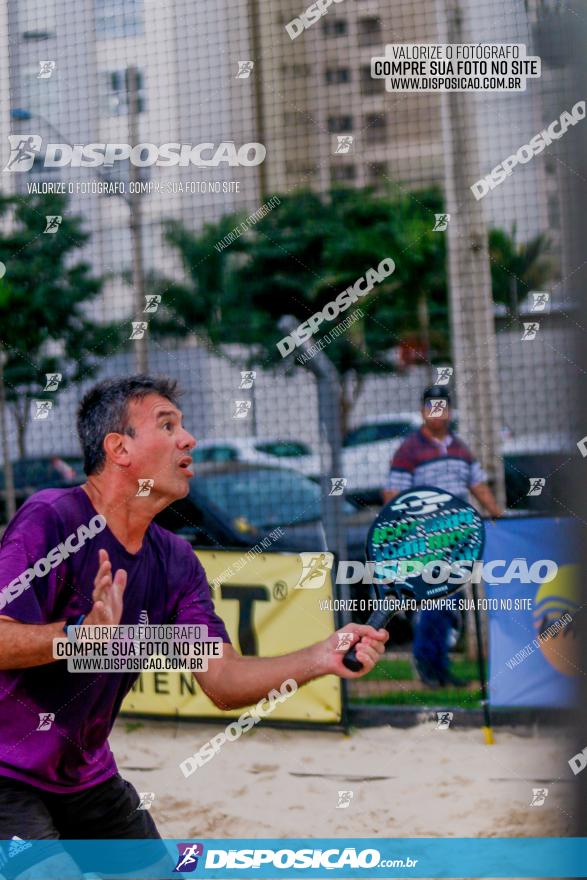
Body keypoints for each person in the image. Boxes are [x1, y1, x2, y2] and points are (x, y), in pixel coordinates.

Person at [0, 375, 388, 850]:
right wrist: (79, 636)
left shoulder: (176, 561)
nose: (189, 439)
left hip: (85, 776)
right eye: (167, 426)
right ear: (119, 449)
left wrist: (320, 657)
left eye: (182, 425)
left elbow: (222, 682)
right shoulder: (51, 518)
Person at [382, 384, 501, 687]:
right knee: (435, 603)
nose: (438, 413)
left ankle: (439, 667)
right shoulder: (409, 450)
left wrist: (497, 514)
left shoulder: (460, 448)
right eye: (432, 407)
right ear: (423, 412)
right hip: (426, 542)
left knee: (449, 603)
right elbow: (393, 496)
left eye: (443, 407)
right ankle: (427, 666)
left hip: (458, 541)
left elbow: (478, 484)